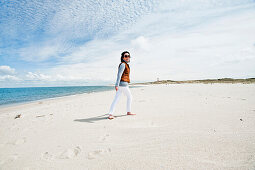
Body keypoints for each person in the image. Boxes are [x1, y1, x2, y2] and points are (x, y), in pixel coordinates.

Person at [108, 51, 136, 119]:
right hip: (123, 85)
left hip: (123, 84)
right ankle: (128, 112)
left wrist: (117, 85)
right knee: (129, 97)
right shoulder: (123, 64)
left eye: (128, 56)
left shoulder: (126, 64)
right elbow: (119, 75)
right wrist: (116, 85)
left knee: (116, 99)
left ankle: (110, 114)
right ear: (123, 57)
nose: (127, 57)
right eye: (126, 56)